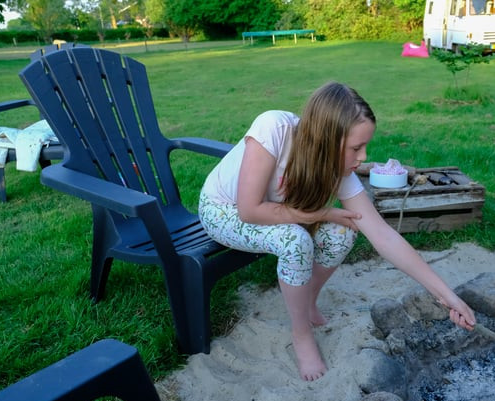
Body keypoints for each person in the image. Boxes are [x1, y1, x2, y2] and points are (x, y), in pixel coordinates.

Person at [199, 82, 476, 381]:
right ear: (326, 139)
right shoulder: (274, 127)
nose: (362, 157)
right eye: (356, 148)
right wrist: (322, 212)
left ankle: (306, 303)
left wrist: (448, 296)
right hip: (223, 211)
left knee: (344, 230)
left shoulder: (333, 164)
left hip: (278, 214)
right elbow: (249, 210)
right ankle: (301, 333)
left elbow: (383, 235)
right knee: (295, 240)